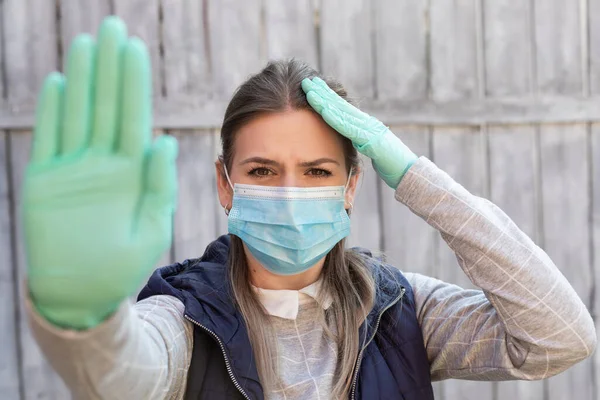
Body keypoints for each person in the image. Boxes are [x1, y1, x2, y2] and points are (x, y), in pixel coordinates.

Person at [23, 16, 595, 400]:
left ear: (350, 187)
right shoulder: (184, 318)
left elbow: (559, 338)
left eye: (318, 172)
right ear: (225, 185)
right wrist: (83, 317)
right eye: (262, 171)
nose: (290, 193)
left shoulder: (403, 311)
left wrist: (414, 175)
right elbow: (120, 377)